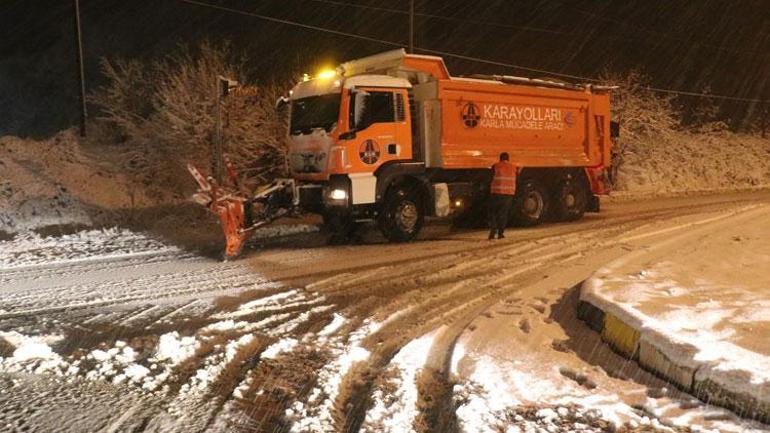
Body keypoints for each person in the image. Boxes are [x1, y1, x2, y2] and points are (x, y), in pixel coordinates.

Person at [488, 152, 517, 240]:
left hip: (496, 193)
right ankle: (501, 233)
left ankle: (493, 231)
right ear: (508, 159)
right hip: (508, 194)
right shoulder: (513, 167)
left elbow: (490, 178)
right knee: (503, 214)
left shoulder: (496, 166)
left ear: (500, 158)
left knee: (493, 213)